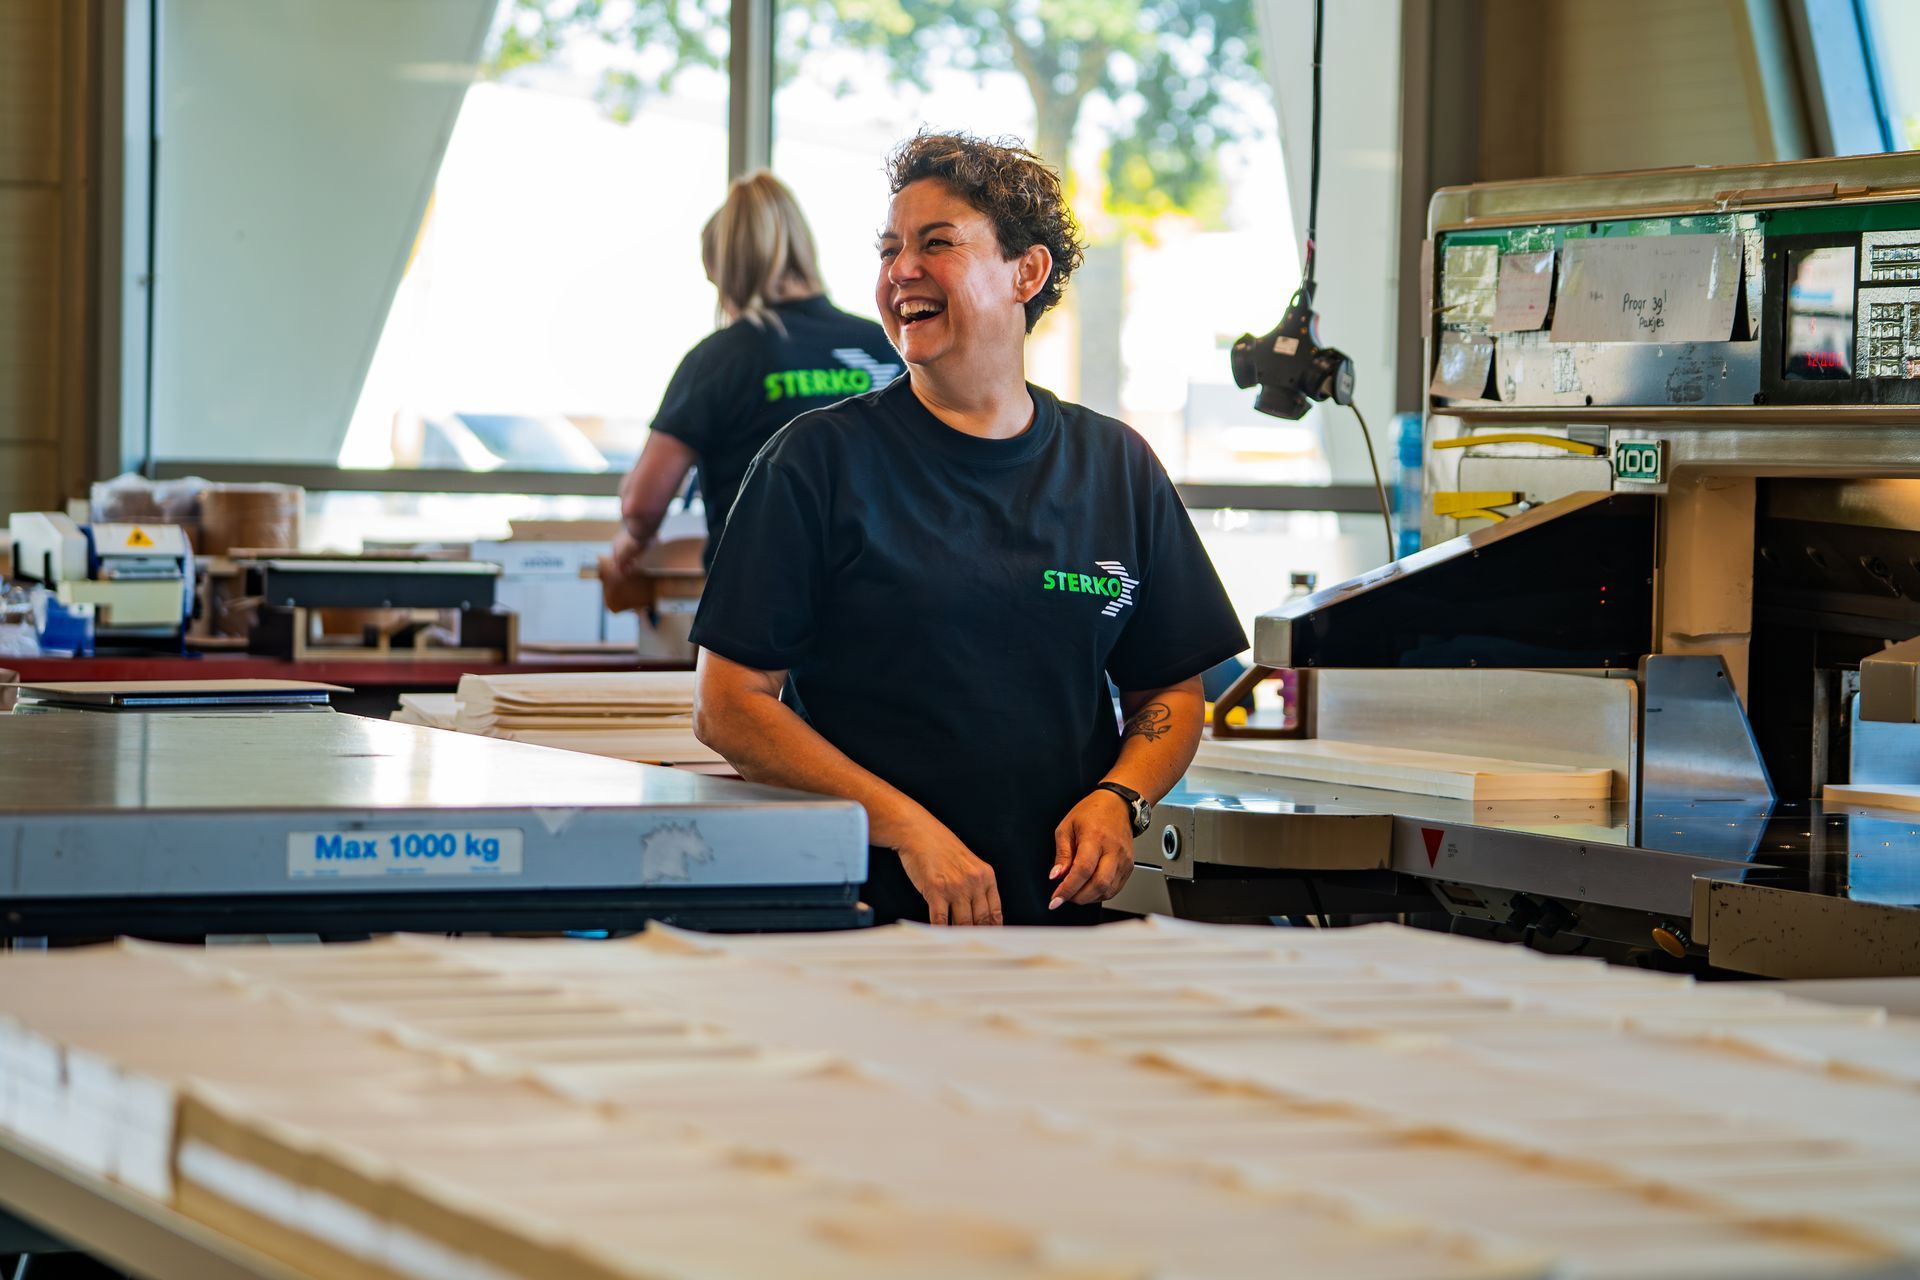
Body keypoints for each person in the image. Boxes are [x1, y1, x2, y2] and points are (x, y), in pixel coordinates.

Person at [689, 132, 1247, 926]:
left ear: (1027, 271)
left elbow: (1169, 689)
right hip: (868, 914)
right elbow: (729, 705)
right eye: (890, 249)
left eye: (936, 243)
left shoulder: (1115, 465)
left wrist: (1120, 797)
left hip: (1063, 922)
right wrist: (910, 830)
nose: (900, 270)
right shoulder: (815, 462)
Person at [601, 171, 901, 599]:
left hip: (762, 606)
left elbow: (642, 505)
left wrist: (631, 539)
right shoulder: (884, 346)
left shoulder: (721, 357)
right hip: (883, 599)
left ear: (725, 270)